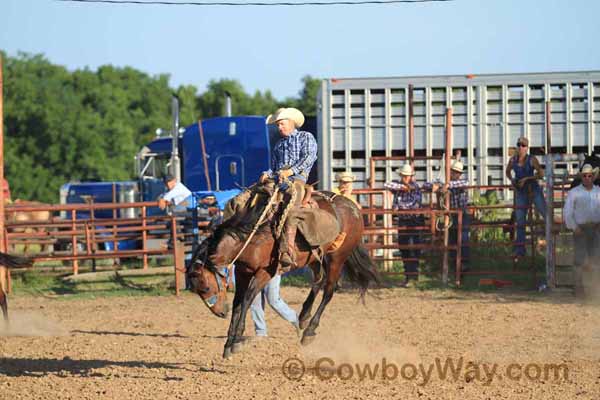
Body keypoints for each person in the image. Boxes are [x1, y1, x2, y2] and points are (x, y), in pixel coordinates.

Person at [259, 107, 318, 269]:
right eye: (277, 125)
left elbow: (309, 157)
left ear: (292, 122)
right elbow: (274, 167)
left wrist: (290, 171)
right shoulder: (278, 145)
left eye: (282, 124)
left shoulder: (306, 137)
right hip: (279, 179)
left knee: (291, 206)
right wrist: (267, 173)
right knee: (255, 197)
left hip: (298, 179)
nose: (279, 128)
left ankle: (287, 249)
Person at [424, 160, 471, 272]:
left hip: (462, 214)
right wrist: (434, 186)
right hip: (451, 215)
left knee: (463, 239)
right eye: (454, 171)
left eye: (457, 172)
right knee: (452, 240)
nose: (455, 174)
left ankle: (463, 264)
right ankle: (455, 265)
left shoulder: (461, 182)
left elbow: (465, 183)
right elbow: (426, 184)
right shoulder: (445, 182)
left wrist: (447, 185)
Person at [505, 136, 546, 260]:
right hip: (521, 191)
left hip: (533, 189)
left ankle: (550, 241)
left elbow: (541, 174)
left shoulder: (532, 159)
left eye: (523, 145)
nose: (520, 147)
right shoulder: (513, 160)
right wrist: (513, 180)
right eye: (519, 145)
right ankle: (520, 250)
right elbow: (507, 172)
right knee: (520, 220)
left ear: (527, 147)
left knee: (544, 213)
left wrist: (527, 179)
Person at [563, 164, 600, 298]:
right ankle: (579, 289)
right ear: (582, 177)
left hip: (596, 228)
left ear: (593, 177)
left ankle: (594, 288)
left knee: (596, 259)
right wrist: (574, 227)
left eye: (589, 175)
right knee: (579, 260)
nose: (587, 178)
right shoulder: (574, 192)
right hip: (581, 229)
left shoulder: (598, 191)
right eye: (584, 176)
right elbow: (567, 212)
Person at [384, 164, 423, 287]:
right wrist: (402, 187)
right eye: (404, 176)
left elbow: (415, 204)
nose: (406, 178)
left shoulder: (415, 187)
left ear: (411, 177)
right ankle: (408, 276)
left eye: (407, 176)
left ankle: (413, 275)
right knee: (404, 248)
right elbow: (386, 184)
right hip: (403, 221)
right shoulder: (399, 186)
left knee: (414, 248)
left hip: (414, 220)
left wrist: (399, 207)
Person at [249, 274, 300, 339]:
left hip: (271, 272)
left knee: (273, 301)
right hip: (254, 274)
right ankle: (261, 332)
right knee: (255, 301)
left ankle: (295, 318)